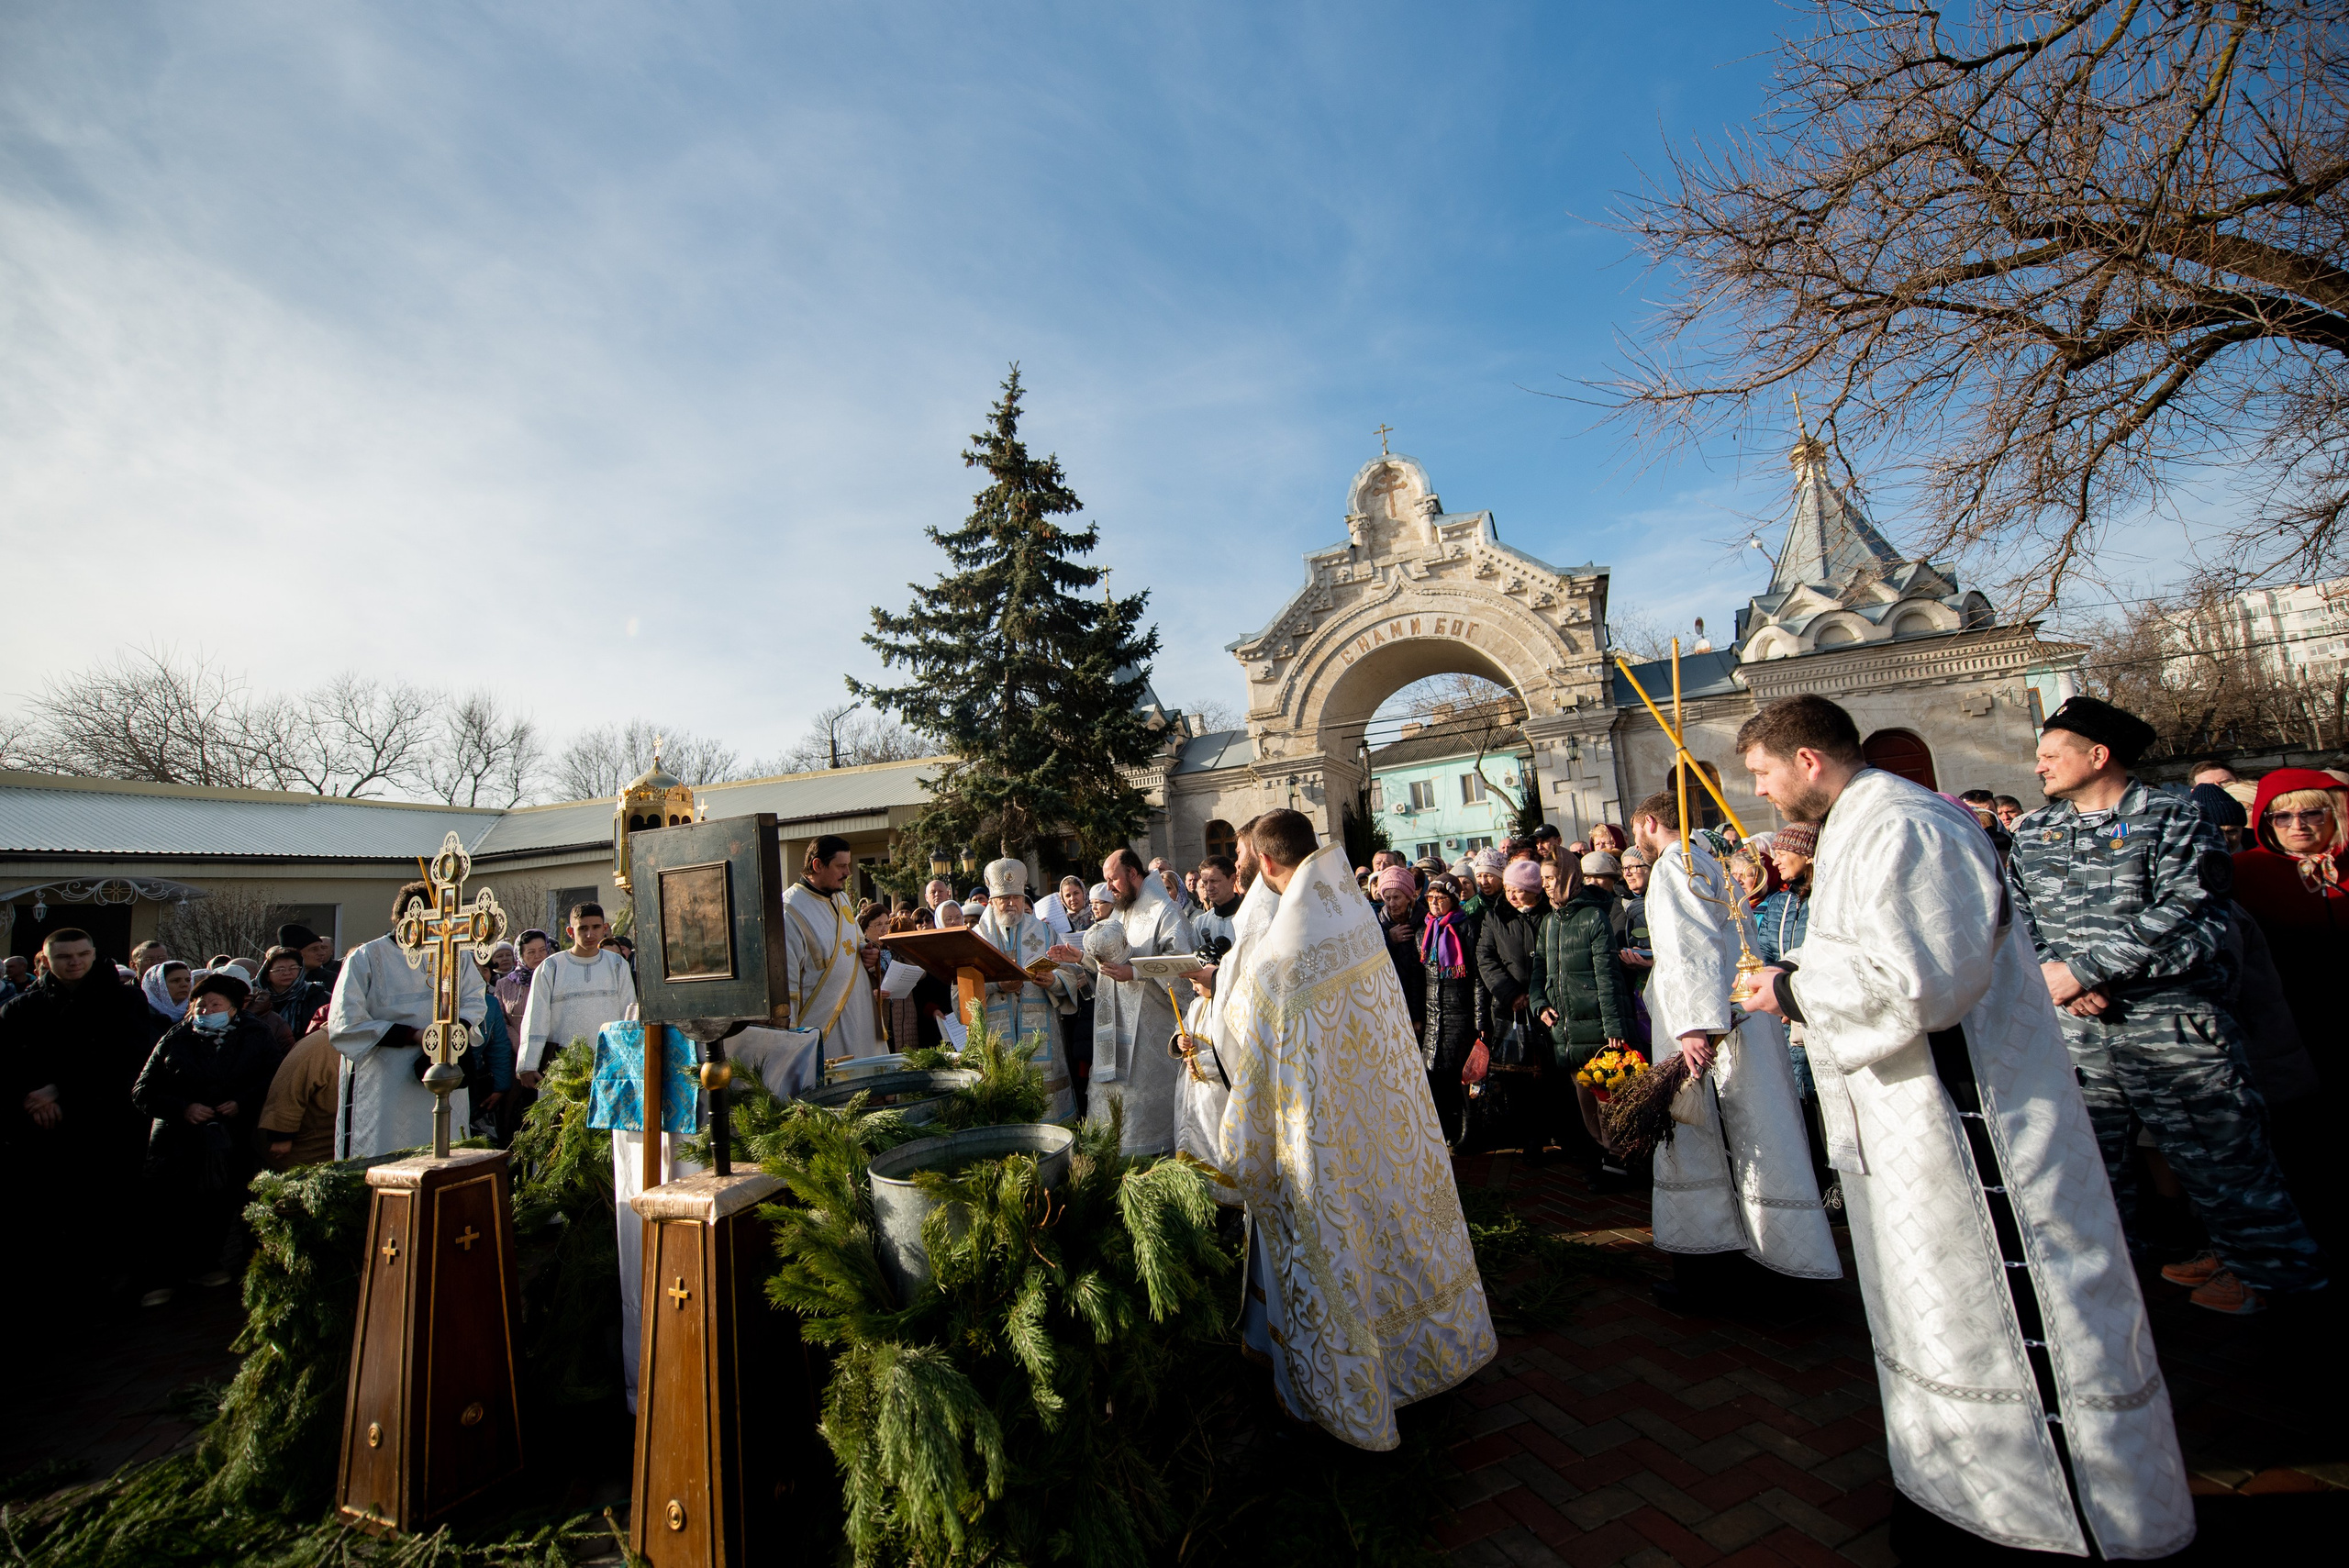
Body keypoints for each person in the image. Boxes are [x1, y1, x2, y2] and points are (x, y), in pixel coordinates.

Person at [1735, 693, 2193, 1560]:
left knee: (2009, 1319)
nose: (1758, 794)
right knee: (1943, 1315)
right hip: (1918, 1128)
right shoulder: (1866, 826)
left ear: (1806, 761)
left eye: (1761, 773)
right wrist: (1802, 972)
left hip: (1972, 1128)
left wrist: (1790, 989)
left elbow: (1923, 982)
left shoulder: (1906, 825)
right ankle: (1969, 1498)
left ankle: (2060, 1518)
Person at [2008, 697, 2323, 1316]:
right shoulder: (2039, 832)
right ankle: (2116, 1283)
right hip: (2080, 1033)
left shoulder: (2174, 818)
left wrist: (2083, 970)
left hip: (2173, 1032)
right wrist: (2057, 973)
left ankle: (2281, 1286)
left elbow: (2190, 915)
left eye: (2051, 754)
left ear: (2098, 755)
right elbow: (2023, 919)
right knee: (2089, 1171)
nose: (2039, 766)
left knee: (2227, 1166)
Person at [1214, 808, 1495, 1449]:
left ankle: (1346, 1402)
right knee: (1389, 1241)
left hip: (1320, 1136)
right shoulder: (1350, 916)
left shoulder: (1283, 950)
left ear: (1269, 863)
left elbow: (1244, 1046)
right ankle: (1418, 1364)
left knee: (1339, 1252)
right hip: (1382, 1117)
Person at [1629, 791, 1839, 1312]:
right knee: (1754, 1134)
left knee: (1704, 1139)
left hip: (1708, 1026)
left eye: (1636, 829)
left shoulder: (1674, 866)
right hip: (1741, 1014)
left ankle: (1712, 1273)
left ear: (1648, 822)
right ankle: (1772, 1259)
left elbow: (1688, 946)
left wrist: (1693, 1027)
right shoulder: (1714, 855)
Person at [131, 970, 280, 1306]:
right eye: (199, 1005)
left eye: (215, 1004)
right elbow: (143, 1090)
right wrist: (183, 1107)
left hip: (231, 1138)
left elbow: (273, 1078)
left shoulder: (256, 1034)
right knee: (168, 1209)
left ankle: (205, 1265)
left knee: (219, 1204)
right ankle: (161, 1277)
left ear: (233, 1009)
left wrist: (241, 1102)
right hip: (177, 1141)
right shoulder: (176, 1037)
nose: (205, 1011)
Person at [327, 883, 487, 1159]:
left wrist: (452, 1029)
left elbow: (474, 998)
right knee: (388, 1152)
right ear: (405, 917)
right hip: (388, 1076)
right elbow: (345, 1022)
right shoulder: (366, 957)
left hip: (445, 1063)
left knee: (447, 1147)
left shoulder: (455, 954)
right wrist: (414, 1035)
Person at [2232, 767, 2345, 1091]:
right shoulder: (2243, 871)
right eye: (2281, 817)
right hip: (2285, 1019)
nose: (2297, 826)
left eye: (2311, 814)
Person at [1080, 847, 1194, 1155]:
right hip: (1114, 1024)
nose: (1109, 887)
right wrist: (1080, 957)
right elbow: (1109, 966)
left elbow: (1183, 967)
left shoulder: (1165, 911)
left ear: (1132, 873)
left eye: (1113, 878)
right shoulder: (1120, 910)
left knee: (1147, 1128)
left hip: (1150, 1030)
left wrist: (1134, 971)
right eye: (1106, 880)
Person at [1530, 856, 1634, 1173]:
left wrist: (1614, 1025)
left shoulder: (1593, 917)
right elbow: (1540, 970)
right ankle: (1606, 1157)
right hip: (1566, 1026)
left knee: (1609, 1100)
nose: (1544, 884)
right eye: (1543, 878)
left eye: (1550, 877)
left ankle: (1621, 1163)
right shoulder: (1549, 922)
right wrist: (1539, 1003)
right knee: (1586, 1102)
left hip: (1599, 1027)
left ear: (1568, 877)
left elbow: (1607, 974)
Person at [973, 859, 1076, 1117]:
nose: (1011, 903)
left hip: (1042, 1035)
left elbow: (1071, 975)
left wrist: (1055, 982)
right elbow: (959, 992)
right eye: (1004, 897)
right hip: (995, 1037)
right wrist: (997, 984)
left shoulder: (1045, 933)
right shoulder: (976, 938)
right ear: (993, 900)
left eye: (1016, 897)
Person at [782, 836, 885, 1062]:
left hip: (861, 1017)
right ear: (817, 865)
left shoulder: (840, 899)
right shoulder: (790, 910)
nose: (848, 872)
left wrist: (869, 954)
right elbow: (787, 983)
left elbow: (856, 945)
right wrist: (789, 1044)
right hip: (826, 1029)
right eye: (841, 866)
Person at [517, 904, 637, 1083]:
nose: (590, 934)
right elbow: (536, 1016)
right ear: (570, 932)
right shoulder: (550, 967)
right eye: (583, 928)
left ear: (605, 928)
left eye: (596, 927)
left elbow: (628, 1015)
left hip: (609, 1064)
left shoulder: (617, 964)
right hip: (562, 1067)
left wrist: (631, 1059)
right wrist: (528, 1064)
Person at [1417, 874, 1479, 1144]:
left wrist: (1479, 1019)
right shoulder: (1424, 931)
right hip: (1433, 1014)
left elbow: (1477, 977)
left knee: (1461, 1075)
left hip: (1460, 1012)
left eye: (1440, 897)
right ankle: (1445, 1130)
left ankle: (1469, 1131)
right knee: (1434, 1073)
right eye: (1430, 897)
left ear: (1453, 898)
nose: (1434, 903)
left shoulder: (1466, 927)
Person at [259, 1003, 341, 1171]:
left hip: (340, 1144)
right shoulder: (317, 1046)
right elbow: (286, 1092)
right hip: (304, 1149)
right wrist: (281, 1135)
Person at [1374, 865, 1425, 1036]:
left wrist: (1417, 1016)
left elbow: (1421, 975)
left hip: (1420, 1003)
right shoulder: (1377, 924)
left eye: (1397, 897)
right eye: (1386, 898)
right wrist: (1389, 940)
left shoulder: (1424, 920)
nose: (1391, 904)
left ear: (1409, 896)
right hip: (1389, 1007)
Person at [253, 945, 330, 1041]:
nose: (287, 973)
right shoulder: (254, 997)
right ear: (267, 975)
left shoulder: (317, 995)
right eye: (280, 969)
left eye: (293, 968)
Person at [1190, 855, 1241, 952]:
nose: (1209, 888)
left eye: (1214, 881)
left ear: (1232, 879)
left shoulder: (1249, 916)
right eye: (1205, 882)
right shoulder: (1200, 923)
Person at [279, 923, 341, 991]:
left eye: (322, 948)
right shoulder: (277, 980)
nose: (322, 953)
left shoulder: (333, 981)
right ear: (296, 953)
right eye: (314, 949)